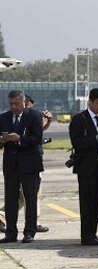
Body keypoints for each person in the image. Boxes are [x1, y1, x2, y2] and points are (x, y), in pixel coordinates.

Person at [0, 95, 50, 234]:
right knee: (11, 200)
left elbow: (37, 138)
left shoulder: (34, 116)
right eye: (11, 104)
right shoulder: (3, 118)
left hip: (30, 164)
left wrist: (20, 138)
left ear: (24, 102)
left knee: (31, 199)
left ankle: (29, 231)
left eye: (17, 103)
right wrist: (2, 141)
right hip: (11, 165)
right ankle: (10, 232)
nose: (14, 106)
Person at [68, 88, 98, 246]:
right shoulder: (80, 119)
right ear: (90, 102)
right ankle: (86, 235)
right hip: (86, 168)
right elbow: (77, 142)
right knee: (87, 202)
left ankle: (93, 233)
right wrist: (96, 139)